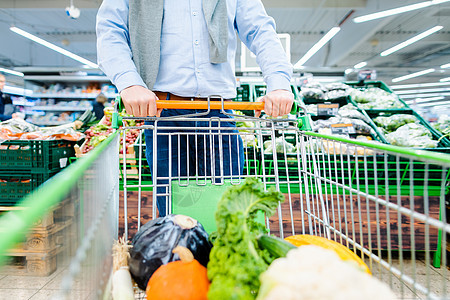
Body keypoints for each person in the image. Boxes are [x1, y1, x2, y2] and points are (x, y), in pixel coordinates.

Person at [96, 0, 294, 216]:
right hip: (163, 114)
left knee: (226, 216)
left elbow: (260, 31)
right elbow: (111, 29)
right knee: (175, 219)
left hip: (218, 114)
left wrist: (279, 84)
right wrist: (130, 82)